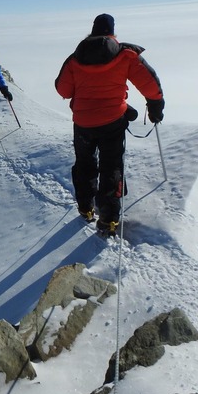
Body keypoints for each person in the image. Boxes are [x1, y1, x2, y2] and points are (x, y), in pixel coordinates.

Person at [55, 13, 164, 236]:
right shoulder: (126, 55)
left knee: (84, 164)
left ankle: (85, 208)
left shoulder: (75, 58)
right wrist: (155, 106)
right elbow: (150, 85)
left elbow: (63, 90)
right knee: (111, 166)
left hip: (83, 123)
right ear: (112, 31)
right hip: (113, 121)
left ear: (92, 30)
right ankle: (108, 219)